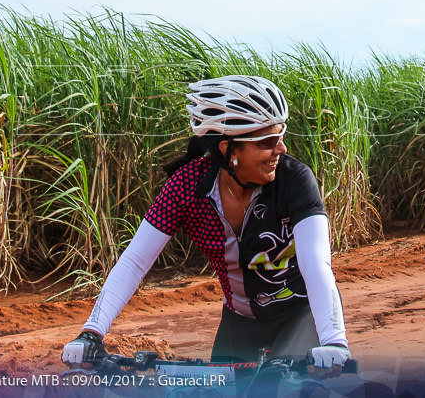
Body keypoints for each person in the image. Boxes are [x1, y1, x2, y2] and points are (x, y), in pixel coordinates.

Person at [61, 75, 350, 371]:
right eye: (268, 141)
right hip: (240, 320)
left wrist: (334, 340)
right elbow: (135, 260)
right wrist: (91, 331)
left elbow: (315, 264)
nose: (282, 149)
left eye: (281, 136)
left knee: (278, 387)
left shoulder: (294, 181)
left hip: (299, 313)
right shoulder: (187, 187)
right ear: (228, 150)